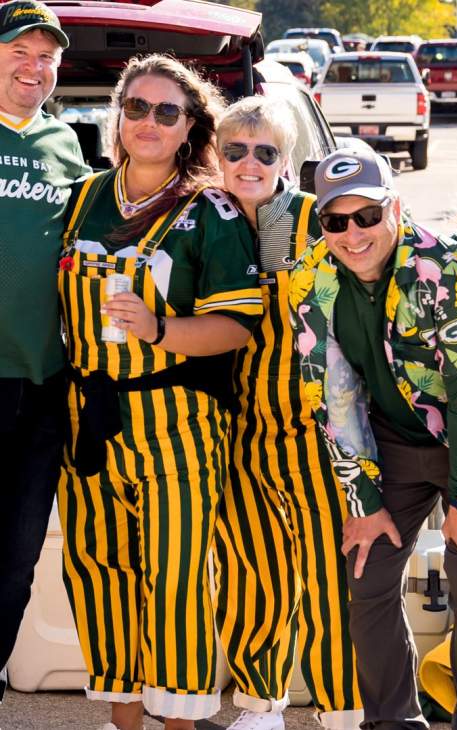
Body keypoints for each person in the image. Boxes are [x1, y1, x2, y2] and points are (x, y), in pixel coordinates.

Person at [289, 147, 457, 730]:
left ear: (394, 206)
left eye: (367, 215)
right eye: (335, 220)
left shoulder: (448, 266)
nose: (352, 234)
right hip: (395, 440)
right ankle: (392, 722)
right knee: (367, 579)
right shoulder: (309, 277)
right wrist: (365, 503)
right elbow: (333, 397)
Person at [56, 54, 263, 730]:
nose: (148, 122)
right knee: (97, 568)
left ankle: (178, 721)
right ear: (118, 117)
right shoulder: (82, 197)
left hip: (176, 421)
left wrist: (159, 328)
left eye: (166, 112)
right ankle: (123, 719)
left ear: (189, 127)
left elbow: (236, 326)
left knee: (175, 578)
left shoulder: (214, 211)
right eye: (136, 108)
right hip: (86, 417)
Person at [212, 96, 362, 730]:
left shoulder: (315, 220)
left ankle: (343, 708)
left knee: (332, 575)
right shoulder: (202, 219)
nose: (250, 163)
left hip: (318, 430)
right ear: (215, 156)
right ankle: (259, 705)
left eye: (265, 151)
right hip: (237, 432)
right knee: (251, 571)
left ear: (288, 159)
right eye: (235, 150)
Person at [0, 0, 90, 700]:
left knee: (16, 562)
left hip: (42, 386)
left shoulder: (66, 148)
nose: (34, 66)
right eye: (19, 50)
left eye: (46, 55)